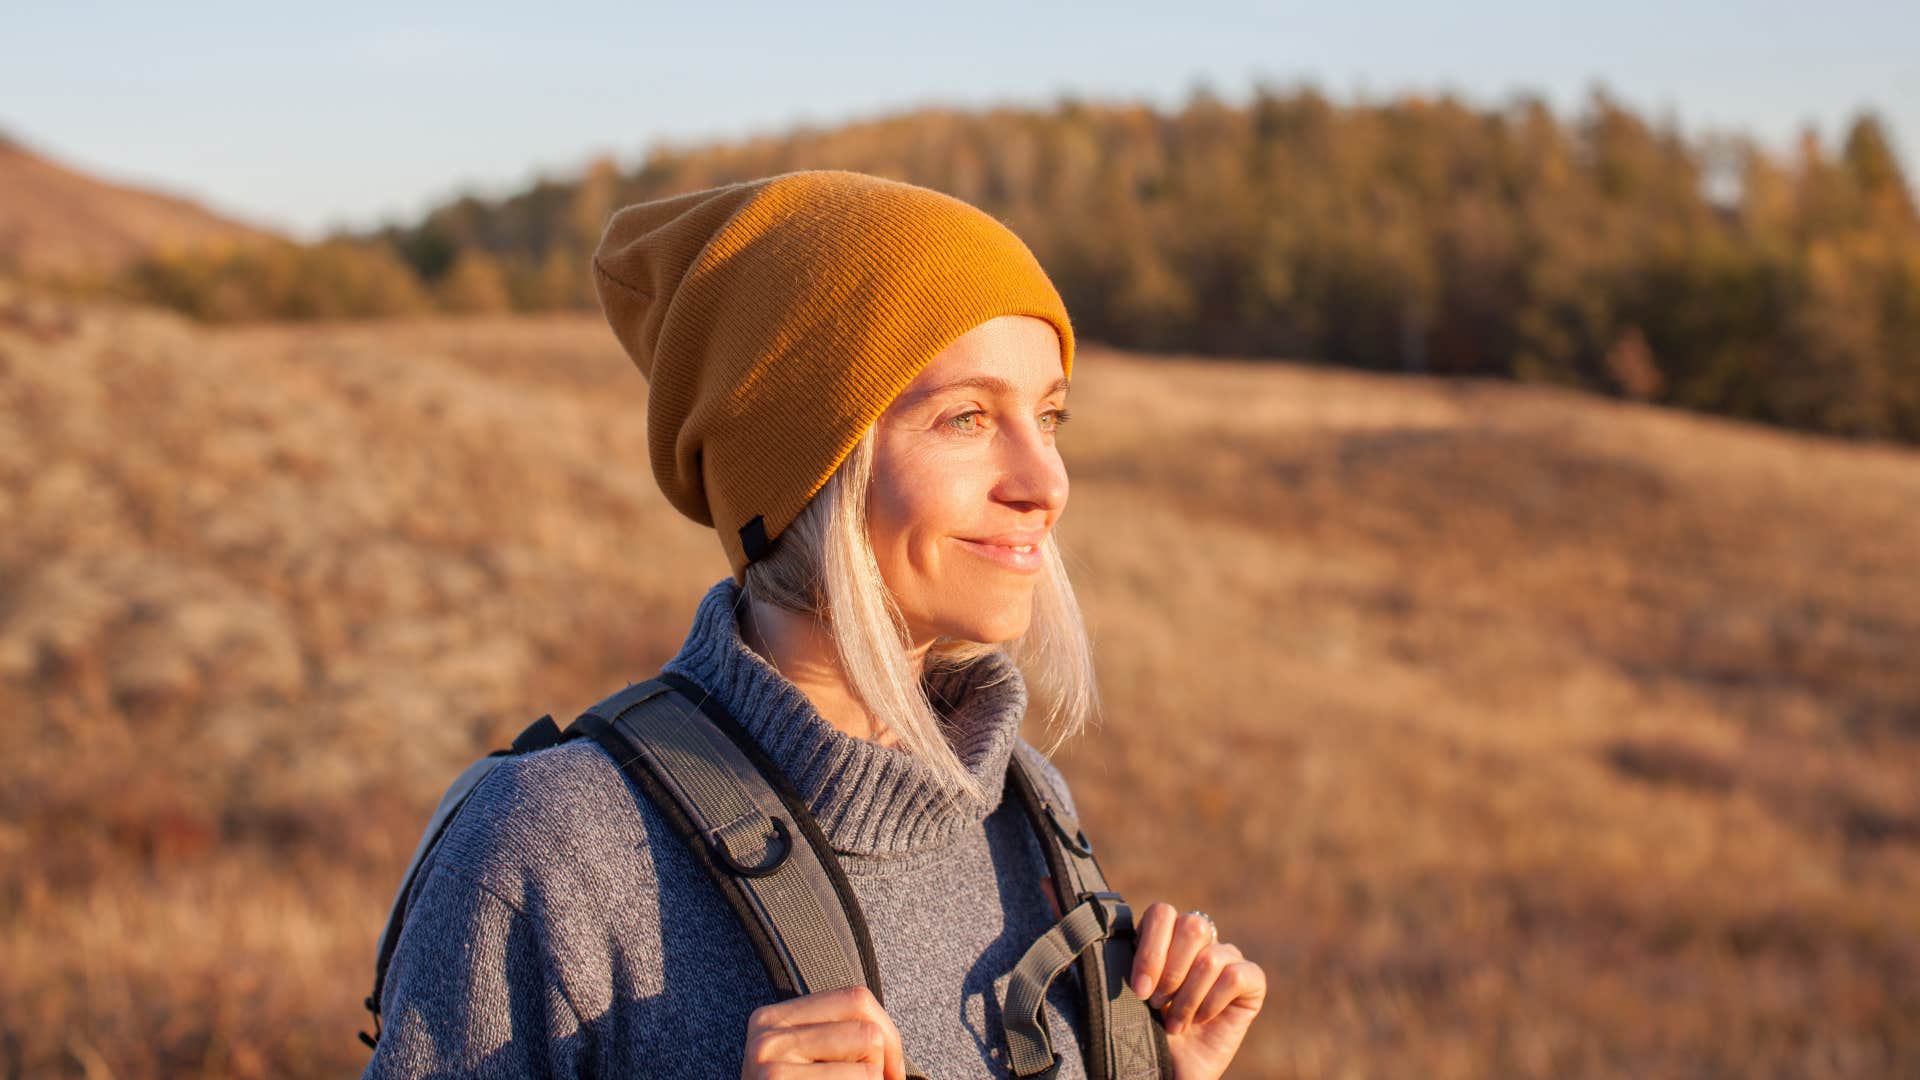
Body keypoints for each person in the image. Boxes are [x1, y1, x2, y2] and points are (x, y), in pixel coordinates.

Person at [363, 169, 1266, 1079]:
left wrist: (1151, 1068)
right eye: (966, 417)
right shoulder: (553, 849)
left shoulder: (1028, 810)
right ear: (804, 466)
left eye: (1049, 416)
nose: (1046, 482)